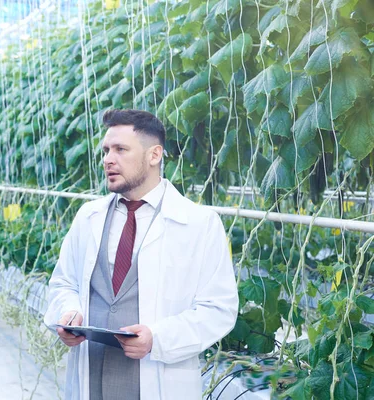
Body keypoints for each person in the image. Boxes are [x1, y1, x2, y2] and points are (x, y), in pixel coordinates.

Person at [44, 109, 238, 399]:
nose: (108, 159)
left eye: (121, 149)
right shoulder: (88, 217)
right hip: (91, 374)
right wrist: (67, 312)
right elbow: (64, 283)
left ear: (154, 155)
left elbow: (218, 309)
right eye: (106, 150)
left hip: (156, 377)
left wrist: (157, 339)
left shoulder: (199, 224)